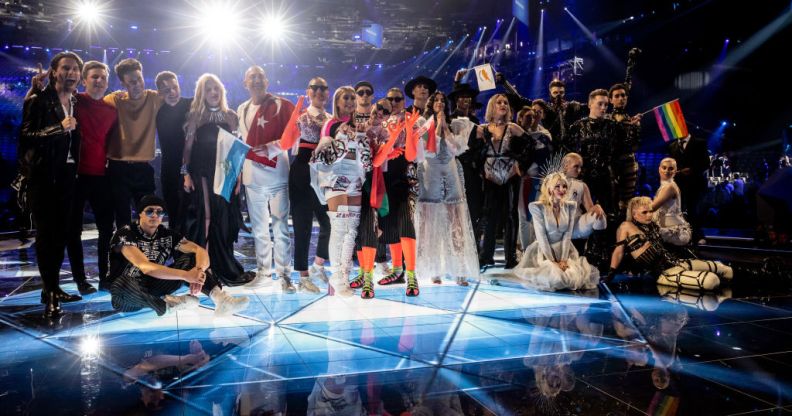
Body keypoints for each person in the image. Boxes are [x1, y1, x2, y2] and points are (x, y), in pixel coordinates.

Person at [19, 52, 85, 317]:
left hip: (68, 176)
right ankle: (49, 291)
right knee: (47, 236)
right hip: (43, 176)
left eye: (75, 69)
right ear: (54, 71)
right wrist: (58, 128)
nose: (71, 73)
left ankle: (53, 288)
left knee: (61, 235)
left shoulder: (77, 101)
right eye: (66, 68)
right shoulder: (38, 99)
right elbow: (25, 135)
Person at [109, 195, 249, 317]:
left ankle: (221, 299)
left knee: (192, 258)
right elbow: (146, 267)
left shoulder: (167, 234)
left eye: (159, 212)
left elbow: (199, 250)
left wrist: (198, 273)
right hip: (128, 294)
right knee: (121, 285)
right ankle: (167, 305)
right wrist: (186, 275)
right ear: (140, 214)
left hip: (156, 285)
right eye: (150, 211)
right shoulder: (125, 233)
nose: (155, 215)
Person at [182, 73, 249, 286]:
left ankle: (222, 265)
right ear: (202, 93)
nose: (213, 92)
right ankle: (204, 268)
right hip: (202, 170)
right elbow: (188, 149)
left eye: (216, 89)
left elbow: (237, 150)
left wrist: (238, 176)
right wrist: (185, 173)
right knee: (206, 217)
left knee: (223, 221)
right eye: (208, 89)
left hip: (226, 172)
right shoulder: (195, 116)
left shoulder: (230, 116)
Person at [235, 66, 295, 291]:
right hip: (253, 177)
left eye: (260, 76)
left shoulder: (280, 105)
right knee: (259, 228)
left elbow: (292, 135)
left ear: (267, 82)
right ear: (245, 83)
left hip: (278, 174)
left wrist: (272, 148)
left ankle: (284, 274)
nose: (257, 80)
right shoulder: (241, 109)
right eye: (252, 77)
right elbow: (241, 144)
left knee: (281, 228)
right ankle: (263, 272)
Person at [312, 86, 372, 296]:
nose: (349, 101)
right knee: (339, 227)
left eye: (352, 98)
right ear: (337, 102)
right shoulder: (331, 124)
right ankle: (337, 276)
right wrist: (340, 136)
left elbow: (365, 156)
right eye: (345, 98)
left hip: (355, 177)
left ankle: (343, 277)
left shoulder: (360, 126)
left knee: (351, 229)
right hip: (335, 176)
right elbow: (323, 152)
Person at [414, 90, 479, 285]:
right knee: (430, 223)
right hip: (430, 174)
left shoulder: (457, 124)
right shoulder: (421, 124)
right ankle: (434, 269)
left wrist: (444, 127)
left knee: (455, 223)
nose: (440, 103)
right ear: (431, 103)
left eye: (443, 100)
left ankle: (459, 270)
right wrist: (435, 127)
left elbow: (456, 149)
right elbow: (427, 150)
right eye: (436, 100)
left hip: (450, 174)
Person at [67, 61, 117, 294]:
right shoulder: (74, 101)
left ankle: (105, 277)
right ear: (84, 80)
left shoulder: (111, 110)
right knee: (73, 229)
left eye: (103, 77)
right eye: (94, 77)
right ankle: (80, 280)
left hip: (101, 176)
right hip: (75, 175)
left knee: (107, 229)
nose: (99, 81)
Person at [608, 197, 733, 290]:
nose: (649, 215)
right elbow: (619, 251)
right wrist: (611, 273)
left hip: (676, 262)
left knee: (727, 270)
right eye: (644, 212)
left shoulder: (653, 226)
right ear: (634, 215)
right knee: (711, 280)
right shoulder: (626, 226)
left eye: (650, 211)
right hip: (664, 273)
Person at [512, 172, 602, 291]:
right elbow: (541, 236)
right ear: (549, 188)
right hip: (545, 250)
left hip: (564, 250)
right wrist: (553, 261)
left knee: (571, 277)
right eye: (557, 186)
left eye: (564, 186)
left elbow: (567, 235)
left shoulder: (570, 206)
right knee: (555, 278)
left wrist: (563, 260)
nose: (562, 189)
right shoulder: (537, 207)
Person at [472, 94, 532, 269]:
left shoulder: (512, 127)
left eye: (505, 102)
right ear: (492, 106)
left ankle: (511, 257)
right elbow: (473, 154)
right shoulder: (482, 129)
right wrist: (481, 170)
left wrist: (521, 165)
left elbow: (530, 145)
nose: (503, 104)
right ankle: (486, 256)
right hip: (490, 177)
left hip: (510, 176)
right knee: (489, 216)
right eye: (499, 102)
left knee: (510, 217)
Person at [283, 77, 332, 293]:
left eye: (324, 88)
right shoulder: (300, 116)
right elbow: (287, 143)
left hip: (324, 172)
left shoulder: (332, 120)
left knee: (329, 222)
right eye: (316, 88)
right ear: (308, 91)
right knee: (302, 225)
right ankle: (302, 276)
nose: (320, 91)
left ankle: (318, 265)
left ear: (328, 93)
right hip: (302, 170)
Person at [103, 58, 162, 227]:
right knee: (122, 218)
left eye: (139, 79)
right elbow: (91, 102)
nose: (137, 84)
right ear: (123, 83)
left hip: (143, 168)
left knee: (150, 218)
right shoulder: (114, 99)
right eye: (131, 82)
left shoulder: (153, 98)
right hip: (118, 168)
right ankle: (125, 253)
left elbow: (180, 102)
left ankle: (146, 253)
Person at [376, 87, 422, 296]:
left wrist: (410, 130)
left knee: (405, 224)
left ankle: (411, 275)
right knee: (390, 225)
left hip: (405, 176)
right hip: (384, 176)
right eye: (390, 99)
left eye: (397, 99)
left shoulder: (410, 119)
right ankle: (397, 270)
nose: (393, 102)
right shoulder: (380, 121)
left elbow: (412, 155)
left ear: (404, 101)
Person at [155, 71, 192, 233]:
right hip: (168, 168)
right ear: (159, 93)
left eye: (175, 87)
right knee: (173, 214)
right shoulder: (157, 110)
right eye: (166, 90)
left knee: (190, 213)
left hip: (190, 167)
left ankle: (193, 252)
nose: (172, 92)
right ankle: (177, 253)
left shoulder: (191, 104)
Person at [516, 105, 552, 249]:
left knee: (540, 217)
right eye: (528, 117)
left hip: (541, 181)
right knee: (524, 217)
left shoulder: (544, 136)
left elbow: (549, 156)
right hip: (523, 182)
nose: (532, 119)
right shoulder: (515, 135)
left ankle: (539, 250)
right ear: (519, 119)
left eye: (534, 116)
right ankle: (525, 250)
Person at [668, 134, 710, 244]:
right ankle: (681, 236)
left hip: (695, 183)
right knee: (678, 210)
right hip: (678, 184)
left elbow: (706, 163)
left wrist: (692, 169)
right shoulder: (672, 145)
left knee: (694, 210)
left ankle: (698, 236)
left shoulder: (699, 142)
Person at [608, 83, 642, 207]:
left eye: (623, 95)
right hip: (611, 164)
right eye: (617, 96)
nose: (621, 98)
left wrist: (636, 128)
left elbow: (636, 146)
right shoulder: (606, 119)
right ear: (610, 100)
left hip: (629, 163)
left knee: (628, 200)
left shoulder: (631, 120)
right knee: (611, 197)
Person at [652, 158, 692, 246]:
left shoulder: (669, 187)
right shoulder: (665, 186)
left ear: (676, 170)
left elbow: (652, 208)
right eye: (664, 168)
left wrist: (633, 205)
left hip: (676, 234)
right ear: (659, 169)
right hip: (669, 228)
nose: (667, 171)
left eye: (671, 168)